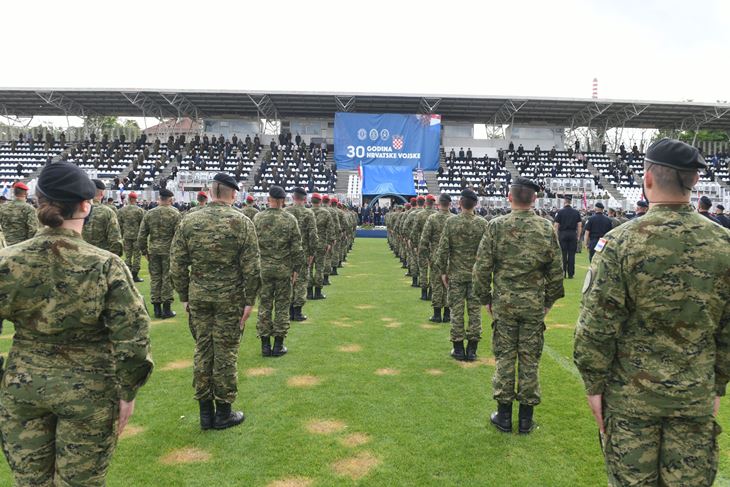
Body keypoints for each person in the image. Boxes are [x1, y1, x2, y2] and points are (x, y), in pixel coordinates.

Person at [574, 138, 730, 486]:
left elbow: (596, 325)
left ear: (646, 180)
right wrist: (717, 383)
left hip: (631, 400)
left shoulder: (621, 243)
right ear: (695, 182)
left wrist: (593, 386)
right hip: (693, 395)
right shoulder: (723, 244)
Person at [0, 162, 153, 485]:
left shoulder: (8, 261)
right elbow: (133, 335)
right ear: (86, 205)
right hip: (90, 389)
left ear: (38, 202)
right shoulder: (105, 265)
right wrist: (128, 390)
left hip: (23, 385)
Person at [473, 177, 564, 434]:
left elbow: (481, 269)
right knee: (529, 360)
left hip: (504, 303)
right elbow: (556, 272)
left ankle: (503, 416)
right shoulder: (545, 228)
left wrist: (486, 299)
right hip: (533, 305)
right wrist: (547, 303)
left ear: (509, 197)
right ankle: (525, 419)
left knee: (504, 357)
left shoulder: (496, 226)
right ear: (534, 198)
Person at [170, 173, 260, 431]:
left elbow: (176, 263)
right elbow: (252, 268)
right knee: (226, 353)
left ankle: (205, 413)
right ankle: (223, 412)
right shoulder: (242, 222)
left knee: (203, 350)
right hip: (229, 299)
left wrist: (184, 295)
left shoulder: (189, 221)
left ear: (210, 192)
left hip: (199, 296)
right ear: (233, 194)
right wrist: (248, 300)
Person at [434, 189, 488, 361]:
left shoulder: (451, 223)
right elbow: (487, 252)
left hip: (455, 275)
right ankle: (472, 349)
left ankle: (458, 349)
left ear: (459, 203)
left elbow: (443, 250)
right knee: (475, 313)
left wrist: (442, 271)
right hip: (475, 276)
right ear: (476, 204)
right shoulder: (482, 224)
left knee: (456, 312)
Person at [253, 186, 304, 357]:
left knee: (264, 306)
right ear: (283, 200)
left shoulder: (258, 218)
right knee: (282, 307)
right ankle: (278, 345)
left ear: (269, 199)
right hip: (283, 270)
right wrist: (297, 269)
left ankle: (265, 345)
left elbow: (252, 247)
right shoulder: (289, 219)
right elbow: (297, 248)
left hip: (264, 269)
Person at [137, 189, 182, 319]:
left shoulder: (150, 213)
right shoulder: (175, 213)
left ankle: (157, 308)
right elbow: (179, 236)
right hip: (168, 251)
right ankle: (166, 309)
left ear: (160, 198)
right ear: (170, 199)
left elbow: (142, 235)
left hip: (154, 250)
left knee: (155, 278)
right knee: (167, 278)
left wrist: (144, 251)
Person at [285, 187, 318, 322]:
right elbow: (313, 235)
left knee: (289, 282)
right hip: (302, 252)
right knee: (301, 281)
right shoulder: (308, 213)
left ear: (293, 198)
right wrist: (311, 253)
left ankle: (289, 311)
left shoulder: (285, 212)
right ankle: (297, 312)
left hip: (287, 253)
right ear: (305, 199)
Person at [419, 193, 453, 323]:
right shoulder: (454, 219)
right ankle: (447, 314)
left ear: (439, 204)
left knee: (437, 284)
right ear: (449, 204)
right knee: (449, 285)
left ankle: (437, 314)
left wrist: (426, 256)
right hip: (451, 258)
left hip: (435, 255)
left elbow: (424, 240)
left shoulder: (432, 219)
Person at [82, 179, 123, 256]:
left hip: (80, 257)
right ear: (102, 193)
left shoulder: (77, 210)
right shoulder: (108, 212)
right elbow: (115, 239)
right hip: (101, 258)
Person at [308, 193, 334, 300]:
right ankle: (318, 292)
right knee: (319, 268)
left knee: (308, 268)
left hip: (308, 245)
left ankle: (309, 292)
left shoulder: (307, 212)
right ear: (320, 201)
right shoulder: (325, 213)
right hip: (321, 244)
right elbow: (330, 229)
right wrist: (329, 243)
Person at [412, 194, 436, 301]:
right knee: (433, 270)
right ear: (434, 203)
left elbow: (414, 231)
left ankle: (424, 293)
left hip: (422, 244)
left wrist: (414, 244)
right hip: (435, 247)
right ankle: (431, 291)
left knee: (423, 268)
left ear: (426, 202)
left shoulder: (420, 215)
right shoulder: (436, 215)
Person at [117, 192, 145, 282]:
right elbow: (143, 224)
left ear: (128, 199)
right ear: (134, 199)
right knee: (137, 256)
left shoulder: (121, 210)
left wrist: (121, 234)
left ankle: (128, 274)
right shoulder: (139, 210)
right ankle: (135, 275)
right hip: (137, 236)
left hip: (126, 235)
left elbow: (119, 224)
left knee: (128, 256)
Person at [0, 181, 38, 246]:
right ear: (26, 193)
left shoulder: (3, 207)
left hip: (6, 244)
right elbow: (33, 230)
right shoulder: (29, 209)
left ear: (14, 193)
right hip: (22, 246)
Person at [553, 195, 581, 278]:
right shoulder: (576, 212)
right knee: (572, 254)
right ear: (571, 202)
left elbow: (556, 225)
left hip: (563, 234)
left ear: (564, 202)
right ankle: (571, 274)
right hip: (572, 234)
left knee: (563, 254)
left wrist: (556, 235)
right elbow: (579, 225)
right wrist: (578, 236)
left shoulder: (560, 212)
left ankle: (563, 272)